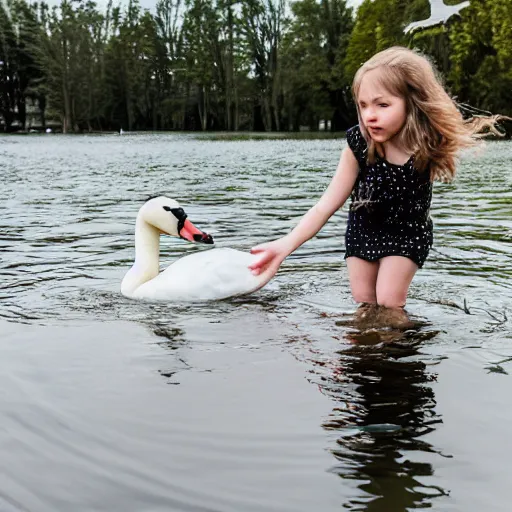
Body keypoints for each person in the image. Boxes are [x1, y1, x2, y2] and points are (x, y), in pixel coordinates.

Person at [248, 46, 505, 313]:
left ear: (412, 102)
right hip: (363, 230)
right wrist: (285, 246)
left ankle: (400, 347)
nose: (370, 115)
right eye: (363, 105)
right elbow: (326, 204)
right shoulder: (359, 145)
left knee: (388, 303)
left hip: (407, 234)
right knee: (365, 304)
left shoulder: (426, 144)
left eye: (382, 105)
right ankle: (368, 351)